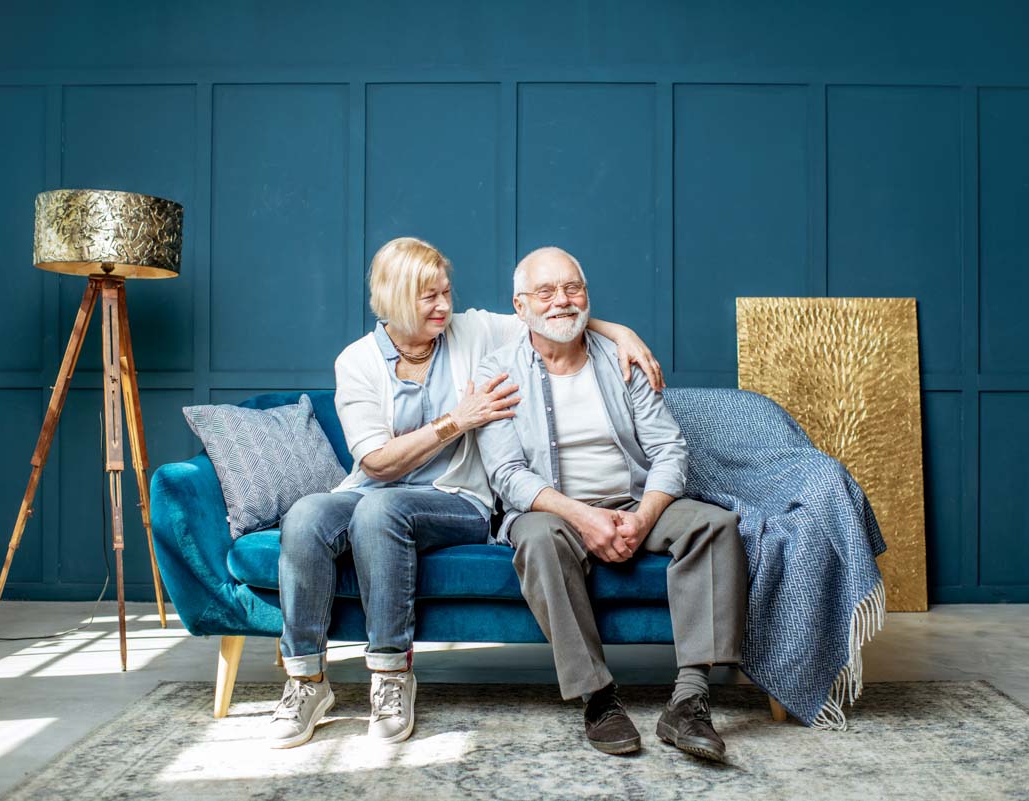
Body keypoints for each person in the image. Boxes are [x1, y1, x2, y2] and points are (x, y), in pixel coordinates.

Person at [267, 237, 664, 748]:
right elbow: (376, 462)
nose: (443, 307)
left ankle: (390, 674)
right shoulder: (357, 361)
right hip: (376, 489)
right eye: (428, 297)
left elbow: (549, 314)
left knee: (380, 513)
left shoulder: (470, 330)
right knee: (304, 516)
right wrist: (458, 420)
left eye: (446, 293)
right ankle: (305, 681)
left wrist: (621, 332)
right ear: (392, 300)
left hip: (458, 499)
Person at [474, 246, 747, 761]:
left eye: (572, 288)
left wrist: (643, 517)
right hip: (553, 511)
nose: (562, 301)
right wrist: (582, 517)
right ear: (520, 305)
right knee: (536, 537)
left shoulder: (622, 358)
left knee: (715, 524)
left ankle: (689, 700)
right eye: (546, 291)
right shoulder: (498, 372)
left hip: (633, 499)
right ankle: (598, 699)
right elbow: (508, 476)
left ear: (587, 295)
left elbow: (669, 448)